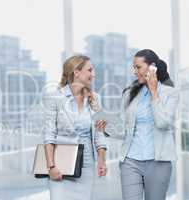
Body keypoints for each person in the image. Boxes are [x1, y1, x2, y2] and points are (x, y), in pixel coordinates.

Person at [98, 49, 179, 200]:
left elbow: (162, 123)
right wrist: (106, 129)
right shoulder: (129, 93)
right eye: (133, 67)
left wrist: (154, 92)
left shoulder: (170, 93)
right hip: (130, 161)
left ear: (152, 67)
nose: (134, 71)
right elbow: (125, 129)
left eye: (138, 67)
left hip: (158, 163)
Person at [42, 54, 108, 200]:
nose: (93, 74)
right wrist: (51, 166)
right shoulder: (54, 97)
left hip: (86, 167)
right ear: (76, 72)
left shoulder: (95, 98)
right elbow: (49, 134)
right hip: (61, 165)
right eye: (90, 70)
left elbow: (99, 133)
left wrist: (102, 161)